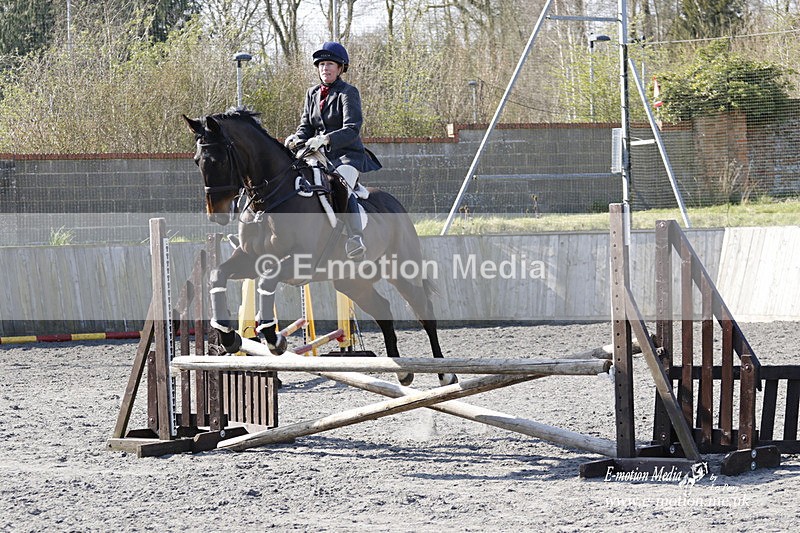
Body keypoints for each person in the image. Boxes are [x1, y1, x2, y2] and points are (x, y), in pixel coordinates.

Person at [285, 41, 381, 261]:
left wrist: (326, 138)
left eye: (330, 64)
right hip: (318, 155)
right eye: (321, 64)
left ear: (340, 68)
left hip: (347, 156)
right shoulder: (312, 93)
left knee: (341, 182)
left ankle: (355, 238)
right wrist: (297, 139)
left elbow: (352, 128)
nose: (325, 68)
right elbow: (305, 126)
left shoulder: (348, 93)